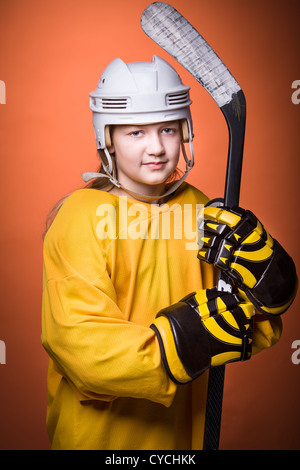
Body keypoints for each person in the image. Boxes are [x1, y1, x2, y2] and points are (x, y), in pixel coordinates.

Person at [41, 55, 297, 450]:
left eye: (167, 129)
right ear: (107, 136)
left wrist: (268, 291)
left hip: (182, 439)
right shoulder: (79, 217)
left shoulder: (205, 213)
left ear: (185, 132)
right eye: (136, 133)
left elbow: (238, 324)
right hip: (100, 440)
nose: (157, 147)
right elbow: (82, 349)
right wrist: (177, 346)